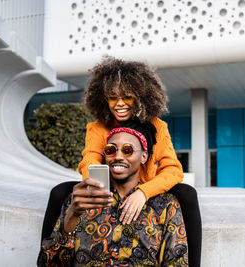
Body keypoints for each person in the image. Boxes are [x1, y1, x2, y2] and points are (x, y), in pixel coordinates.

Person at [42, 56, 201, 266]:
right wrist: (98, 187)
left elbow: (172, 169)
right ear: (103, 98)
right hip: (110, 187)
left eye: (127, 97)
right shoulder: (98, 127)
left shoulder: (157, 126)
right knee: (60, 192)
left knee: (187, 193)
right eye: (112, 97)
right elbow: (90, 159)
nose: (119, 104)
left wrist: (143, 193)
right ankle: (45, 252)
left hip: (146, 188)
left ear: (141, 97)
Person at [38, 120, 188, 266]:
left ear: (144, 156)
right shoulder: (79, 200)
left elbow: (177, 261)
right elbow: (49, 263)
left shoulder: (166, 206)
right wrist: (71, 219)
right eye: (111, 150)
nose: (118, 156)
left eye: (127, 150)